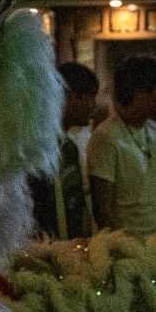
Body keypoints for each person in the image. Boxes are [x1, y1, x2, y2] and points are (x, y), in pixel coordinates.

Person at [86, 54, 156, 237]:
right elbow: (103, 211)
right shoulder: (107, 137)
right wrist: (126, 251)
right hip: (127, 252)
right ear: (138, 92)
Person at [28, 61, 100, 241]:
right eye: (88, 97)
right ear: (67, 97)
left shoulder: (69, 147)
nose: (93, 105)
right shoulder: (36, 148)